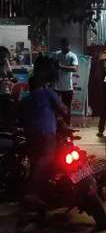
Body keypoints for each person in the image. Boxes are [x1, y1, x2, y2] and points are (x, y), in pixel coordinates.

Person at [17, 73, 68, 217]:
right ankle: (33, 193)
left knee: (35, 163)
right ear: (43, 84)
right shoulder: (47, 93)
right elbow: (63, 109)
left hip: (31, 137)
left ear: (29, 86)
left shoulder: (24, 101)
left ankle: (39, 194)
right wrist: (62, 117)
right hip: (47, 134)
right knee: (46, 160)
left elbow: (19, 120)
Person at [52, 37, 79, 113]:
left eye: (68, 45)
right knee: (54, 108)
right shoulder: (56, 54)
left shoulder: (72, 56)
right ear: (61, 45)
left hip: (67, 87)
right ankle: (55, 124)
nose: (66, 47)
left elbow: (75, 69)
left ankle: (67, 123)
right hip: (55, 86)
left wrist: (61, 66)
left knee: (67, 108)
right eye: (64, 45)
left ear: (70, 45)